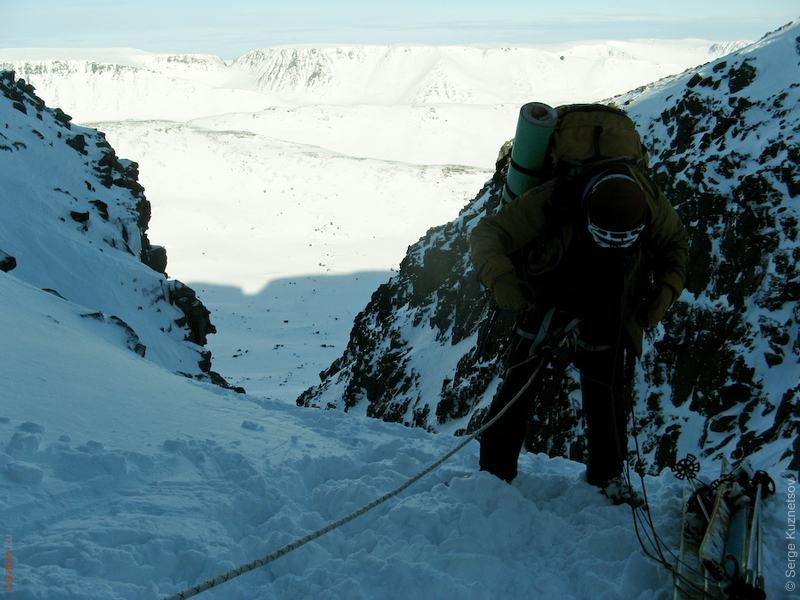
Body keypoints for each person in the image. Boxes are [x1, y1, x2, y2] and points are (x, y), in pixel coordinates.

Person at [469, 164, 688, 505]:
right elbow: (489, 232)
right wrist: (500, 278)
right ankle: (495, 470)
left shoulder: (651, 204)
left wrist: (665, 292)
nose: (613, 246)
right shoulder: (555, 198)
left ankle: (607, 474)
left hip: (611, 295)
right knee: (521, 379)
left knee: (606, 385)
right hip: (554, 287)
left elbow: (676, 245)